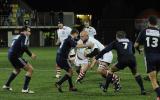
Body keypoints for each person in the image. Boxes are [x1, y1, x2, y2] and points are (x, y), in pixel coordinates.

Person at [94, 31, 146, 95]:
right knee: (135, 73)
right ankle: (143, 90)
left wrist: (96, 57)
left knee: (110, 70)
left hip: (123, 60)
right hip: (132, 59)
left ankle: (105, 87)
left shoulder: (115, 42)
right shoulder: (130, 42)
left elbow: (105, 50)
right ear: (124, 36)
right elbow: (133, 51)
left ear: (116, 36)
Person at [2, 26, 36, 93]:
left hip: (10, 55)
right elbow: (23, 46)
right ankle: (25, 89)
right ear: (24, 31)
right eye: (28, 31)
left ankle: (7, 85)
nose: (30, 32)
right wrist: (31, 54)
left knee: (17, 70)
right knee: (30, 69)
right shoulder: (24, 36)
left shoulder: (17, 36)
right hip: (16, 56)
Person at [134, 16, 160, 99]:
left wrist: (139, 50)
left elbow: (136, 45)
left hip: (150, 58)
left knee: (153, 81)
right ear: (156, 23)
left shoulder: (144, 31)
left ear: (148, 22)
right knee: (155, 75)